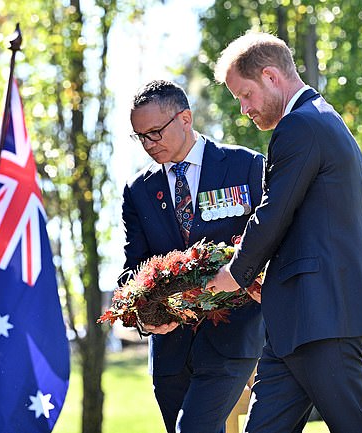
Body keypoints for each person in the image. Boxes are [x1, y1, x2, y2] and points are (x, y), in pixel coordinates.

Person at [206, 32, 362, 433]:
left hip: (323, 318)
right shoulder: (329, 120)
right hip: (298, 321)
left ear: (271, 76)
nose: (244, 109)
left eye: (244, 95)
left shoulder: (299, 127)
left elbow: (273, 213)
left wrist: (237, 273)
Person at [120, 79, 266, 433]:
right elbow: (134, 268)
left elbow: (271, 245)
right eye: (140, 136)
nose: (148, 144)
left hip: (232, 337)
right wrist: (142, 315)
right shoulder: (139, 190)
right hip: (170, 351)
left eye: (155, 132)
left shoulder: (245, 166)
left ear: (185, 118)